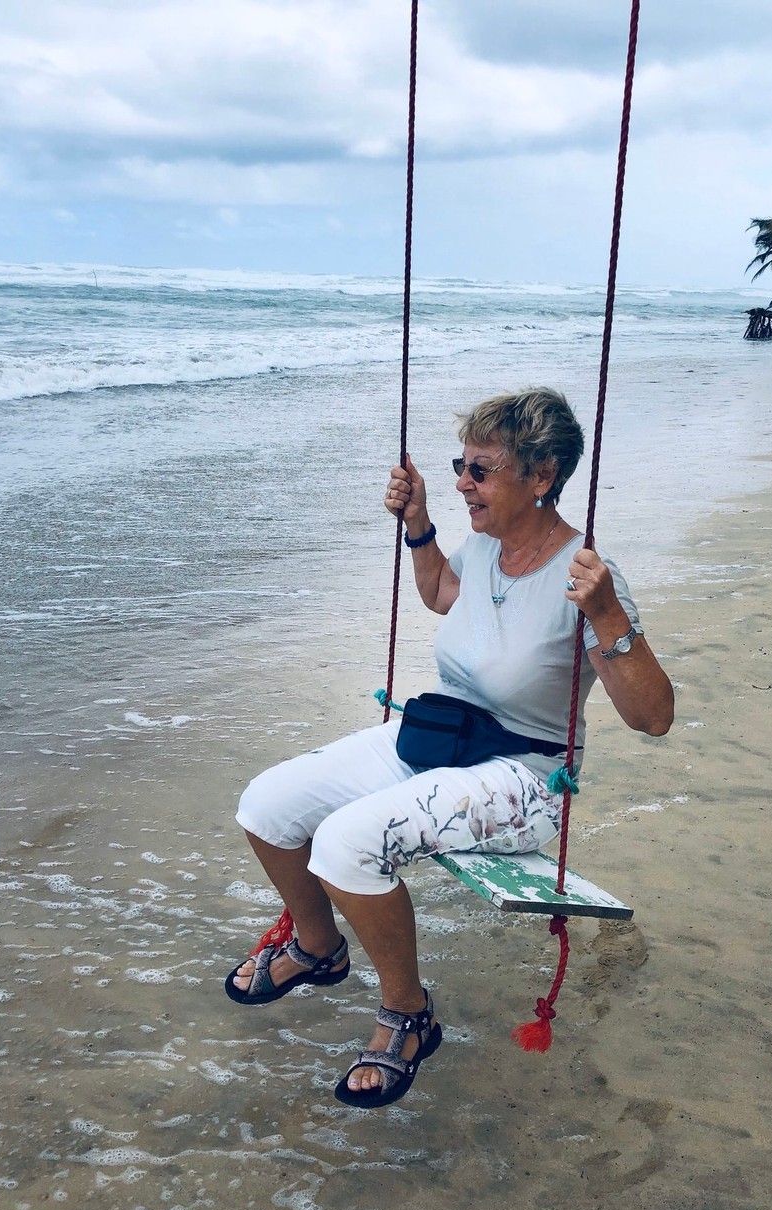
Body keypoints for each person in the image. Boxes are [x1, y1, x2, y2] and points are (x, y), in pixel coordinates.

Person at [224, 388, 674, 1108]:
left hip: (523, 775)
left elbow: (653, 717)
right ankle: (318, 947)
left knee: (344, 843)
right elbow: (440, 593)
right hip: (440, 737)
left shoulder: (589, 577)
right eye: (460, 465)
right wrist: (419, 523)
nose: (464, 481)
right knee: (267, 805)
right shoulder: (488, 545)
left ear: (542, 475)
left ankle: (408, 1014)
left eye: (481, 471)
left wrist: (609, 615)